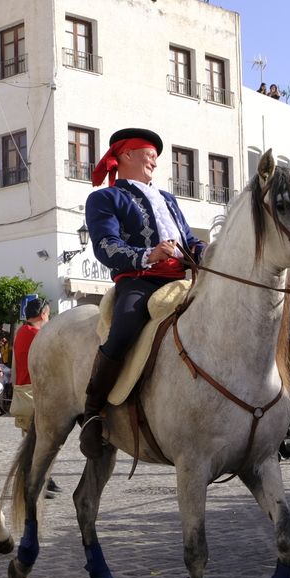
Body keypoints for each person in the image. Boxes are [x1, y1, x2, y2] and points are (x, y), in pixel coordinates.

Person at [77, 127, 207, 456]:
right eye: (148, 153)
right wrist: (149, 254)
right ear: (125, 155)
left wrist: (207, 253)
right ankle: (93, 412)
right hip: (140, 279)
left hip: (183, 277)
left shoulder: (168, 199)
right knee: (123, 331)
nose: (154, 160)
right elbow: (107, 245)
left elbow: (189, 240)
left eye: (155, 156)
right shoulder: (104, 198)